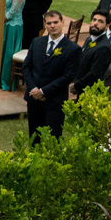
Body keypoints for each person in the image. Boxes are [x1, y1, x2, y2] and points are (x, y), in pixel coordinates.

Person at [22, 11, 82, 140]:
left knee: (52, 139)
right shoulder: (37, 42)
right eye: (49, 23)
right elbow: (26, 67)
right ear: (45, 24)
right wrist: (33, 89)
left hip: (54, 101)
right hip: (34, 100)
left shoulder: (73, 48)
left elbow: (68, 76)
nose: (52, 26)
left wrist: (43, 92)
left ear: (62, 22)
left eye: (55, 22)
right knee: (34, 137)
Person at [0, 0, 28, 91]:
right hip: (3, 23)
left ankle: (6, 81)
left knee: (8, 54)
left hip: (12, 26)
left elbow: (13, 12)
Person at [71, 10, 111, 99]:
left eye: (100, 21)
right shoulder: (89, 39)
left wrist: (76, 86)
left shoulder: (104, 47)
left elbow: (94, 74)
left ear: (107, 26)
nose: (95, 23)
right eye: (94, 20)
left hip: (91, 94)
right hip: (82, 90)